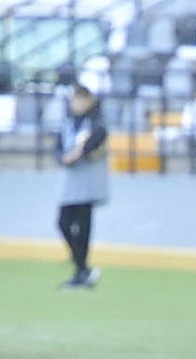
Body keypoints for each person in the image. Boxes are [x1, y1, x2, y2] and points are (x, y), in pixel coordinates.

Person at [56, 83, 108, 289]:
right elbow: (58, 149)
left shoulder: (96, 123)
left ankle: (81, 270)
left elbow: (94, 142)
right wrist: (64, 158)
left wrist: (77, 154)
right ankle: (82, 268)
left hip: (88, 184)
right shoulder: (68, 123)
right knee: (64, 223)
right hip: (71, 184)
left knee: (83, 227)